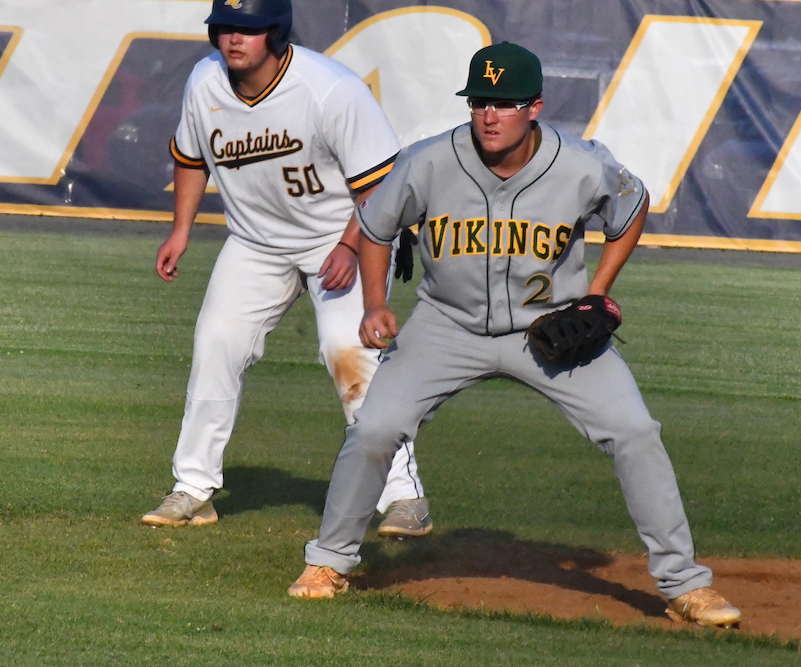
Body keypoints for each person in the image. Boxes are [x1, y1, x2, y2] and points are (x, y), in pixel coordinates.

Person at [286, 42, 741, 628]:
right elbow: (376, 227)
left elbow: (631, 207)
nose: (489, 116)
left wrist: (599, 288)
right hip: (446, 326)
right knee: (374, 427)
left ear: (535, 107)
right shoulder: (429, 161)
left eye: (505, 103)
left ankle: (685, 585)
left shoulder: (580, 163)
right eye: (480, 102)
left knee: (634, 431)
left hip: (551, 331)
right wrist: (375, 304)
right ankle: (328, 562)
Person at [141, 0, 432, 538]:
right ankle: (194, 488)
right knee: (215, 344)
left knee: (350, 352)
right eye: (226, 27)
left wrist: (349, 245)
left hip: (343, 236)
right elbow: (190, 157)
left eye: (249, 29)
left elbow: (384, 187)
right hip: (256, 243)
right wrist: (181, 230)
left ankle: (404, 498)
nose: (234, 39)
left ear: (275, 33)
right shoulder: (205, 83)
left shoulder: (330, 90)